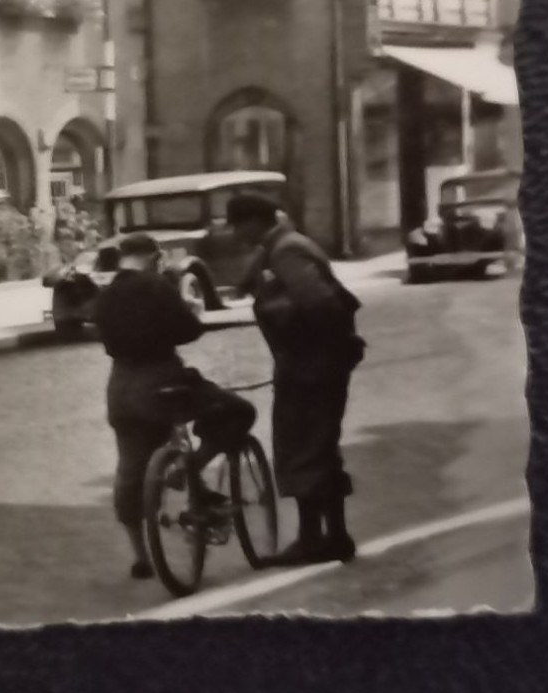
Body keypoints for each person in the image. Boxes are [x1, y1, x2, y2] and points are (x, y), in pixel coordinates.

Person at [94, 233, 257, 580]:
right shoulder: (157, 286)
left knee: (130, 470)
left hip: (121, 389)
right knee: (238, 411)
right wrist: (191, 311)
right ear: (155, 258)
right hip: (163, 383)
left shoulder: (106, 296)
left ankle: (141, 556)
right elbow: (188, 330)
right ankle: (188, 469)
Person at [227, 192, 365, 566]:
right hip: (316, 363)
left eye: (238, 224)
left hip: (309, 366)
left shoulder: (287, 250)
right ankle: (335, 536)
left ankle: (312, 538)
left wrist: (304, 347)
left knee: (301, 448)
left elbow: (319, 303)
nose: (235, 232)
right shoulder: (283, 245)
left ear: (255, 221)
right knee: (320, 447)